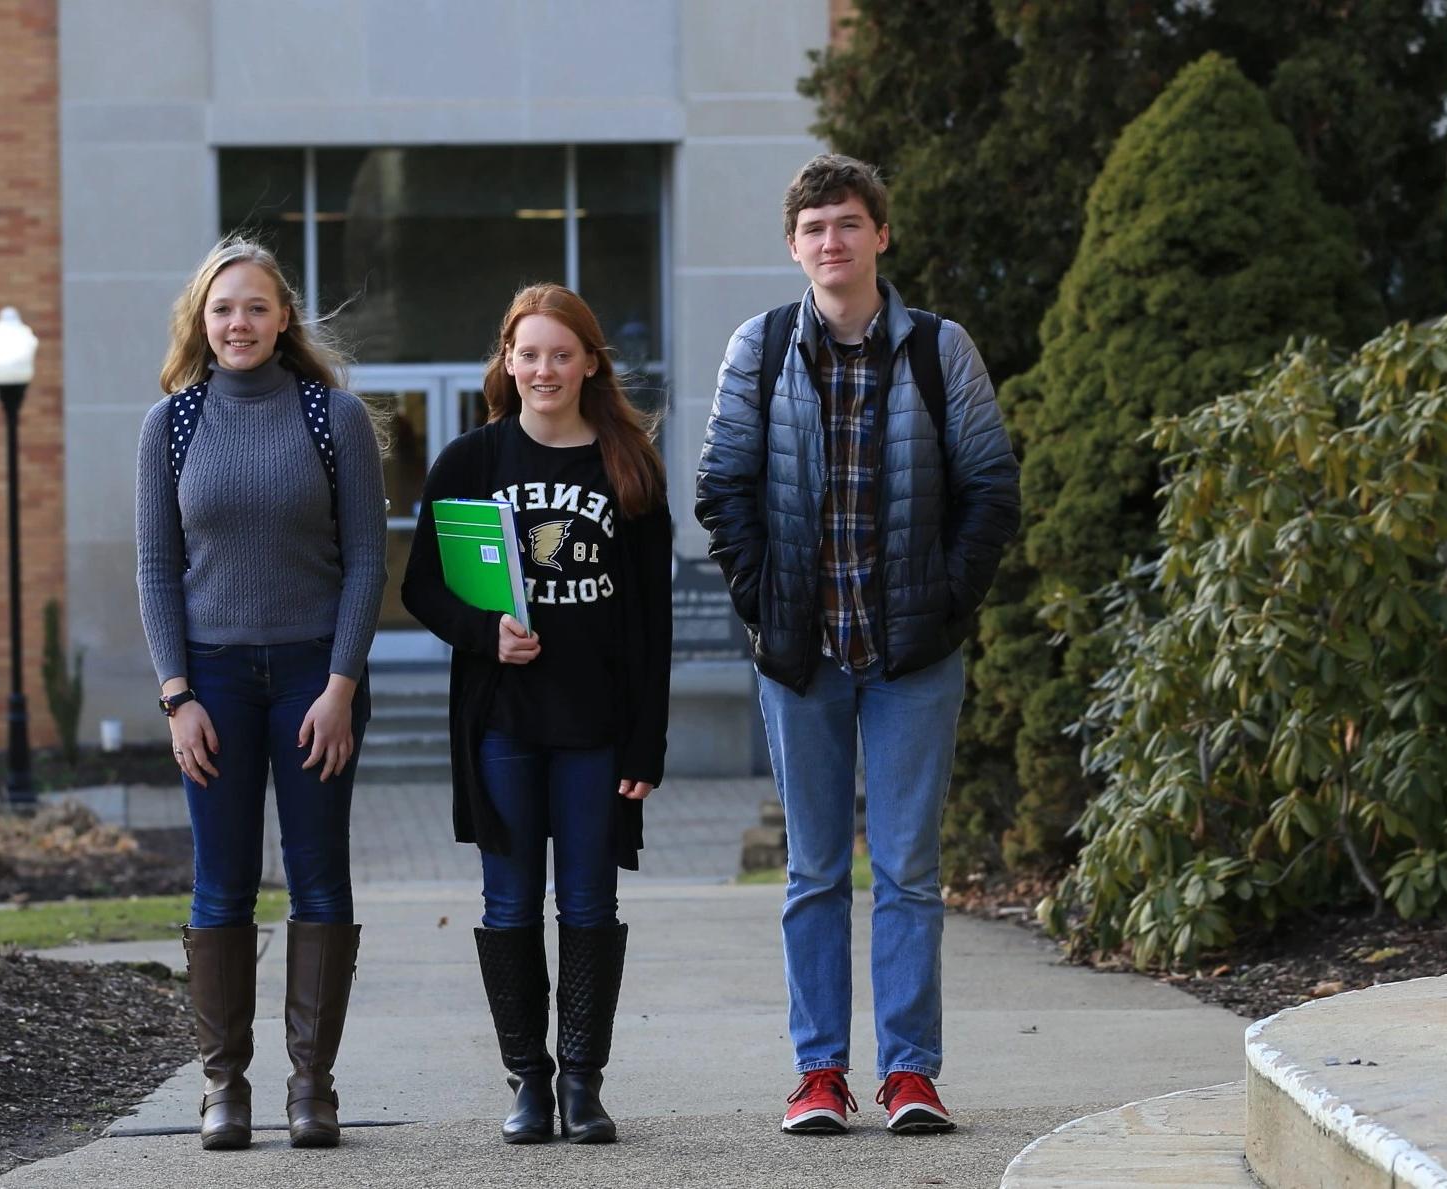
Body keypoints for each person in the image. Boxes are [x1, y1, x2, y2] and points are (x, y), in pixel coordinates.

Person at [693, 155, 1019, 1136]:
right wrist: (764, 607)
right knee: (816, 874)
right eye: (814, 228)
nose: (831, 242)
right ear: (793, 247)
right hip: (803, 657)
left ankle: (912, 1073)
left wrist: (948, 606)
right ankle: (820, 1073)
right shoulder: (759, 349)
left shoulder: (938, 349)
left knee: (912, 872)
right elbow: (723, 490)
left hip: (913, 657)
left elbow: (991, 489)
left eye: (847, 223)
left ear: (881, 234)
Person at [401, 283, 673, 1146]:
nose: (544, 369)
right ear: (507, 361)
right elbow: (420, 586)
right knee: (509, 903)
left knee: (590, 903)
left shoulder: (627, 464)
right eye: (529, 354)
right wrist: (485, 634)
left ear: (590, 361)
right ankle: (528, 1079)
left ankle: (584, 1084)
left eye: (562, 353)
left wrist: (647, 739)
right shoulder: (470, 461)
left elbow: (652, 621)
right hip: (502, 726)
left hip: (596, 729)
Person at [135, 237, 387, 1150]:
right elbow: (157, 568)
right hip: (212, 685)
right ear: (200, 323)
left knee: (319, 875)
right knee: (222, 881)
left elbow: (367, 559)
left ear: (284, 318)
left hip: (315, 679)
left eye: (254, 307)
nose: (237, 323)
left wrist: (340, 684)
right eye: (221, 309)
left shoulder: (334, 418)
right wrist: (176, 695)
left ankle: (312, 1088)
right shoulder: (171, 424)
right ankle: (224, 1089)